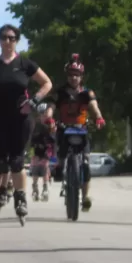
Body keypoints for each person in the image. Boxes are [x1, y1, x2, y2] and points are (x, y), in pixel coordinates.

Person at [0, 24, 53, 224]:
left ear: (17, 40)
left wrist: (34, 101)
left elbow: (47, 83)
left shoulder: (25, 64)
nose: (7, 41)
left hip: (21, 119)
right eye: (3, 37)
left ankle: (20, 200)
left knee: (17, 162)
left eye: (11, 37)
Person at [53, 54, 106, 210]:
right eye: (71, 74)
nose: (74, 78)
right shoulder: (60, 92)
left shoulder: (87, 93)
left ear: (82, 76)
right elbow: (51, 106)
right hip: (64, 128)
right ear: (67, 76)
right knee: (61, 155)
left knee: (86, 163)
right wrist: (49, 119)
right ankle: (60, 168)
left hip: (81, 129)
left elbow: (94, 106)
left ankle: (85, 197)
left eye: (77, 75)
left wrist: (99, 118)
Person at [30, 106, 56, 202]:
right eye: (41, 114)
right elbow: (31, 136)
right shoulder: (36, 124)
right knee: (35, 167)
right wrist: (33, 143)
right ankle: (35, 187)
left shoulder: (51, 123)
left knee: (44, 167)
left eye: (44, 114)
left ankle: (45, 187)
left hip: (47, 148)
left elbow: (53, 138)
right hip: (37, 147)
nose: (43, 116)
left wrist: (52, 129)